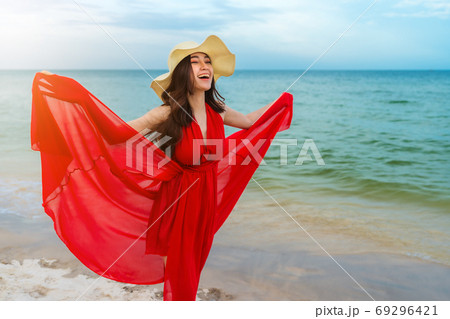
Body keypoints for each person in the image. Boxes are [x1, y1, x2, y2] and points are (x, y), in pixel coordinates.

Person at [31, 35, 293, 301]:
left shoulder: (218, 110)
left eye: (208, 61)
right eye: (195, 61)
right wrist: (74, 94)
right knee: (179, 275)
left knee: (192, 269)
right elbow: (116, 133)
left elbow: (250, 121)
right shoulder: (168, 112)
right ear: (182, 72)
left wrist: (282, 102)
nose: (205, 66)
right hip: (178, 202)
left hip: (205, 202)